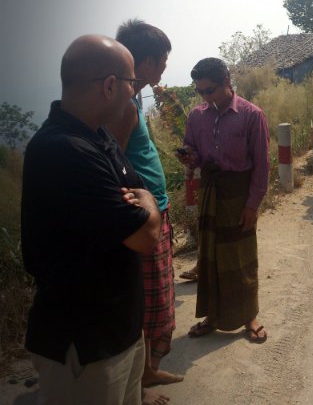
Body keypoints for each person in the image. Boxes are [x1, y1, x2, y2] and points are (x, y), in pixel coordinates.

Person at [21, 35, 162, 405]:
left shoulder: (99, 137)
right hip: (84, 344)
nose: (136, 92)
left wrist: (143, 204)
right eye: (133, 83)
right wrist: (147, 207)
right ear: (111, 85)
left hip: (120, 330)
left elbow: (139, 191)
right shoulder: (63, 151)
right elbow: (144, 234)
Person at [108, 20, 182, 403]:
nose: (166, 69)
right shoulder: (121, 105)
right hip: (143, 216)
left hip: (157, 210)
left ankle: (148, 372)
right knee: (146, 303)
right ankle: (137, 385)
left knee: (157, 300)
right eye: (164, 61)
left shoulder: (134, 99)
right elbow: (114, 161)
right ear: (148, 61)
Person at [177, 57, 269, 343]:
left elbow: (262, 166)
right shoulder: (196, 116)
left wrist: (252, 205)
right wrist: (189, 158)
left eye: (210, 90)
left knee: (241, 258)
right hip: (210, 192)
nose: (205, 97)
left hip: (238, 194)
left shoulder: (252, 115)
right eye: (200, 91)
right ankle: (212, 316)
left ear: (227, 83)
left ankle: (249, 316)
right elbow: (192, 150)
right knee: (211, 257)